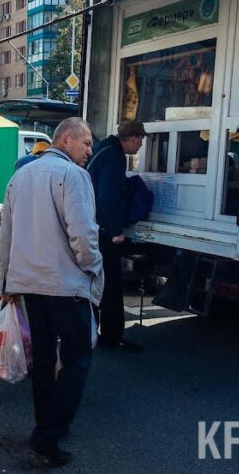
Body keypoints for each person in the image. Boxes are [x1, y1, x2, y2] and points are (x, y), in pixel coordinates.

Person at [0, 117, 103, 468]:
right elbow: (83, 235)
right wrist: (93, 268)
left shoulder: (20, 176)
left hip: (30, 285)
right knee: (76, 359)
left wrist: (5, 283)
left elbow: (6, 236)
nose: (90, 150)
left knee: (42, 359)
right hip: (65, 285)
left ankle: (45, 426)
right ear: (67, 139)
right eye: (86, 143)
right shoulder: (74, 176)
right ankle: (50, 434)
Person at [87, 120, 145, 352]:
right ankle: (111, 336)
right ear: (131, 138)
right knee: (111, 285)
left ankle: (91, 330)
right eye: (141, 139)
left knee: (94, 281)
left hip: (92, 226)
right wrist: (115, 231)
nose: (141, 144)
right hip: (104, 231)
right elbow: (108, 196)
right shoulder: (115, 156)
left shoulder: (102, 149)